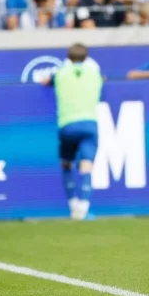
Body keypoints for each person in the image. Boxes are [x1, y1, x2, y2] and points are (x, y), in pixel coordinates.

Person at [42, 43, 103, 220]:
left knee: (67, 164)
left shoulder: (60, 73)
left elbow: (46, 80)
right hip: (89, 125)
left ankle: (73, 205)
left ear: (68, 57)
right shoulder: (94, 73)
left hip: (67, 126)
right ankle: (83, 209)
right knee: (87, 166)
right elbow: (101, 76)